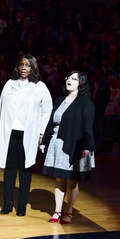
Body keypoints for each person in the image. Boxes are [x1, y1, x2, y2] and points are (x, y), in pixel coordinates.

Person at [0, 55, 52, 216]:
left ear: (33, 68)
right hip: (9, 131)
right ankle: (7, 202)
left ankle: (22, 204)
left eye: (27, 65)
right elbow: (1, 105)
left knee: (26, 168)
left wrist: (41, 132)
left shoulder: (39, 87)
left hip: (29, 134)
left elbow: (47, 111)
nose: (24, 68)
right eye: (21, 65)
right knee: (9, 168)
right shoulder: (10, 84)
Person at [40, 70, 95, 224]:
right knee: (59, 179)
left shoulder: (85, 102)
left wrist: (86, 146)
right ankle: (57, 211)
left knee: (71, 181)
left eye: (74, 79)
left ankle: (69, 211)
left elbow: (88, 127)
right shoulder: (59, 100)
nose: (69, 80)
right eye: (68, 77)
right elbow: (51, 122)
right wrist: (44, 141)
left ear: (81, 83)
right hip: (57, 144)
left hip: (75, 145)